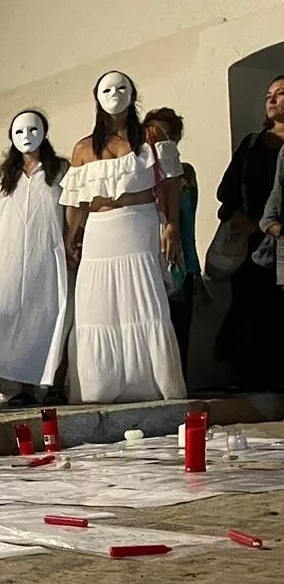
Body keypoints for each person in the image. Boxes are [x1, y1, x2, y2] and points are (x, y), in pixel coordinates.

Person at [62, 70, 186, 403]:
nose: (115, 94)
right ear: (96, 97)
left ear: (132, 94)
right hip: (99, 231)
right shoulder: (83, 148)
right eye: (107, 89)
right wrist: (69, 239)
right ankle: (100, 387)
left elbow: (171, 182)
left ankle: (151, 384)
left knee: (144, 301)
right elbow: (75, 202)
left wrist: (172, 225)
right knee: (96, 306)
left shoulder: (151, 136)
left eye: (122, 88)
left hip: (139, 225)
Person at [0, 111, 71, 404]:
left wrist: (70, 243)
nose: (26, 136)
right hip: (8, 257)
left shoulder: (60, 170)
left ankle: (52, 385)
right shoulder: (3, 176)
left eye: (33, 129)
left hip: (46, 254)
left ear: (44, 132)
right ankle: (20, 387)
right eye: (19, 131)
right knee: (10, 318)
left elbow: (71, 209)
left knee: (48, 316)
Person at [214, 76, 284, 390]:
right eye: (269, 95)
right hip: (252, 240)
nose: (272, 100)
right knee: (250, 304)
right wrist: (240, 216)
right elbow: (227, 189)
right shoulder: (253, 142)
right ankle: (247, 375)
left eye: (280, 94)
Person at [143, 107, 200, 379]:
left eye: (163, 134)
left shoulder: (184, 173)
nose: (155, 138)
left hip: (179, 261)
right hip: (147, 260)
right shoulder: (138, 171)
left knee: (178, 328)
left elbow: (184, 210)